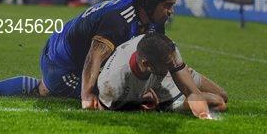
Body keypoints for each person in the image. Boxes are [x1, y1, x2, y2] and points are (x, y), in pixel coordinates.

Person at [0, 0, 178, 109]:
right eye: (167, 5)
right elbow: (95, 55)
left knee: (43, 89)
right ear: (152, 3)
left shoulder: (150, 16)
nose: (170, 11)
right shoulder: (119, 19)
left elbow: (159, 58)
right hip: (60, 64)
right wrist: (88, 95)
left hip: (62, 53)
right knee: (113, 95)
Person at [97, 32, 227, 119]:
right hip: (161, 91)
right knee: (218, 103)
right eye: (167, 64)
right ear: (146, 63)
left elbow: (192, 92)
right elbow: (106, 111)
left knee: (223, 96)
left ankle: (180, 76)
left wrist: (203, 115)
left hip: (169, 76)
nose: (170, 65)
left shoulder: (165, 48)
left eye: (171, 62)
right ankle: (169, 104)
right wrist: (139, 103)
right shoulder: (113, 83)